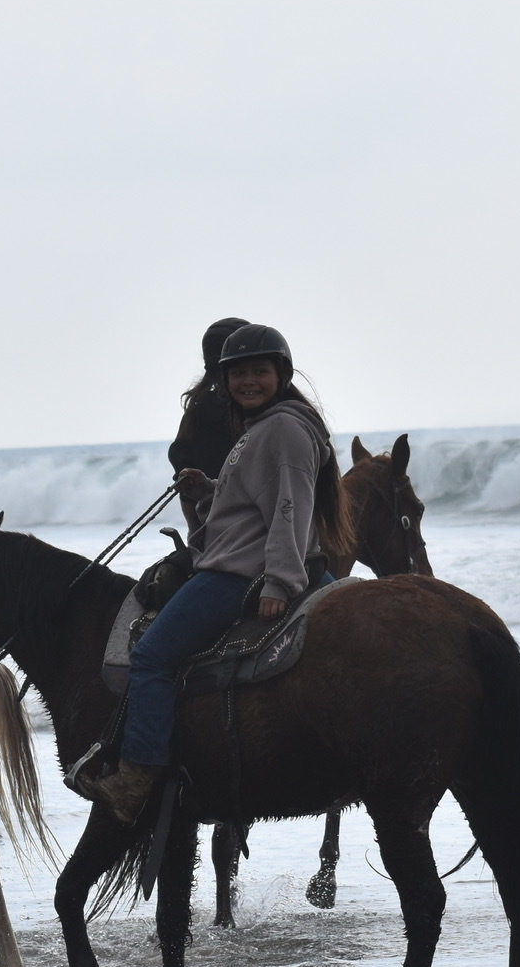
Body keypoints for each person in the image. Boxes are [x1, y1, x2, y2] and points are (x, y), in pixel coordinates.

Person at [94, 324, 347, 823]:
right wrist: (212, 488)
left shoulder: (280, 428)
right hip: (256, 559)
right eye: (239, 373)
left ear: (281, 374)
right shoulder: (267, 425)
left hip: (238, 574)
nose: (248, 381)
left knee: (150, 658)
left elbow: (289, 509)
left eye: (260, 371)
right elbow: (256, 504)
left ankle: (138, 775)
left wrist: (279, 581)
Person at [169, 317, 250, 524]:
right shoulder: (264, 412)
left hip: (210, 531)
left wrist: (196, 538)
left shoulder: (196, 411)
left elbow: (186, 489)